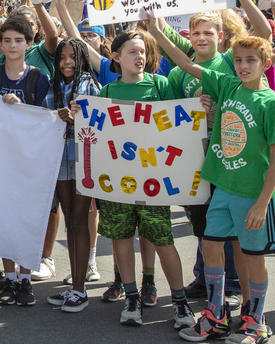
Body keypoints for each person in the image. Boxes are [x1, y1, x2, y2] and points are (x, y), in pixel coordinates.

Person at [148, 21, 275, 343]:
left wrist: (264, 203)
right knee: (211, 245)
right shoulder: (227, 86)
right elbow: (184, 63)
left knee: (253, 257)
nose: (243, 66)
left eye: (251, 60)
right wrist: (156, 29)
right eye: (238, 60)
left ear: (265, 63)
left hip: (252, 193)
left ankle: (256, 320)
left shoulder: (271, 102)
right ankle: (216, 315)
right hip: (221, 186)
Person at [71, 31, 194, 330]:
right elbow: (95, 133)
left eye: (142, 52)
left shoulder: (159, 84)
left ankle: (180, 302)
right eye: (132, 52)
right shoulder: (106, 90)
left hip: (154, 183)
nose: (139, 57)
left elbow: (184, 121)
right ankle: (131, 296)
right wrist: (79, 113)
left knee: (164, 241)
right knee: (122, 240)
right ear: (116, 57)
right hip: (117, 183)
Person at [0, 16, 50, 307]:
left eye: (18, 40)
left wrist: (22, 109)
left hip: (29, 162)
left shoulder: (38, 78)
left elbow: (47, 121)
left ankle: (25, 278)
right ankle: (10, 278)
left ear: (29, 43)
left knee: (27, 221)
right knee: (5, 221)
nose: (12, 45)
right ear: (0, 43)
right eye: (6, 40)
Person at [45, 38, 100, 313]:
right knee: (70, 220)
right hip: (59, 158)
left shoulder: (88, 82)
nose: (67, 63)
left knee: (79, 220)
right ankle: (74, 286)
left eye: (72, 58)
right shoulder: (54, 83)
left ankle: (80, 288)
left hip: (82, 158)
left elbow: (100, 115)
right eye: (62, 58)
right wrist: (57, 114)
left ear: (81, 59)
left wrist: (78, 115)